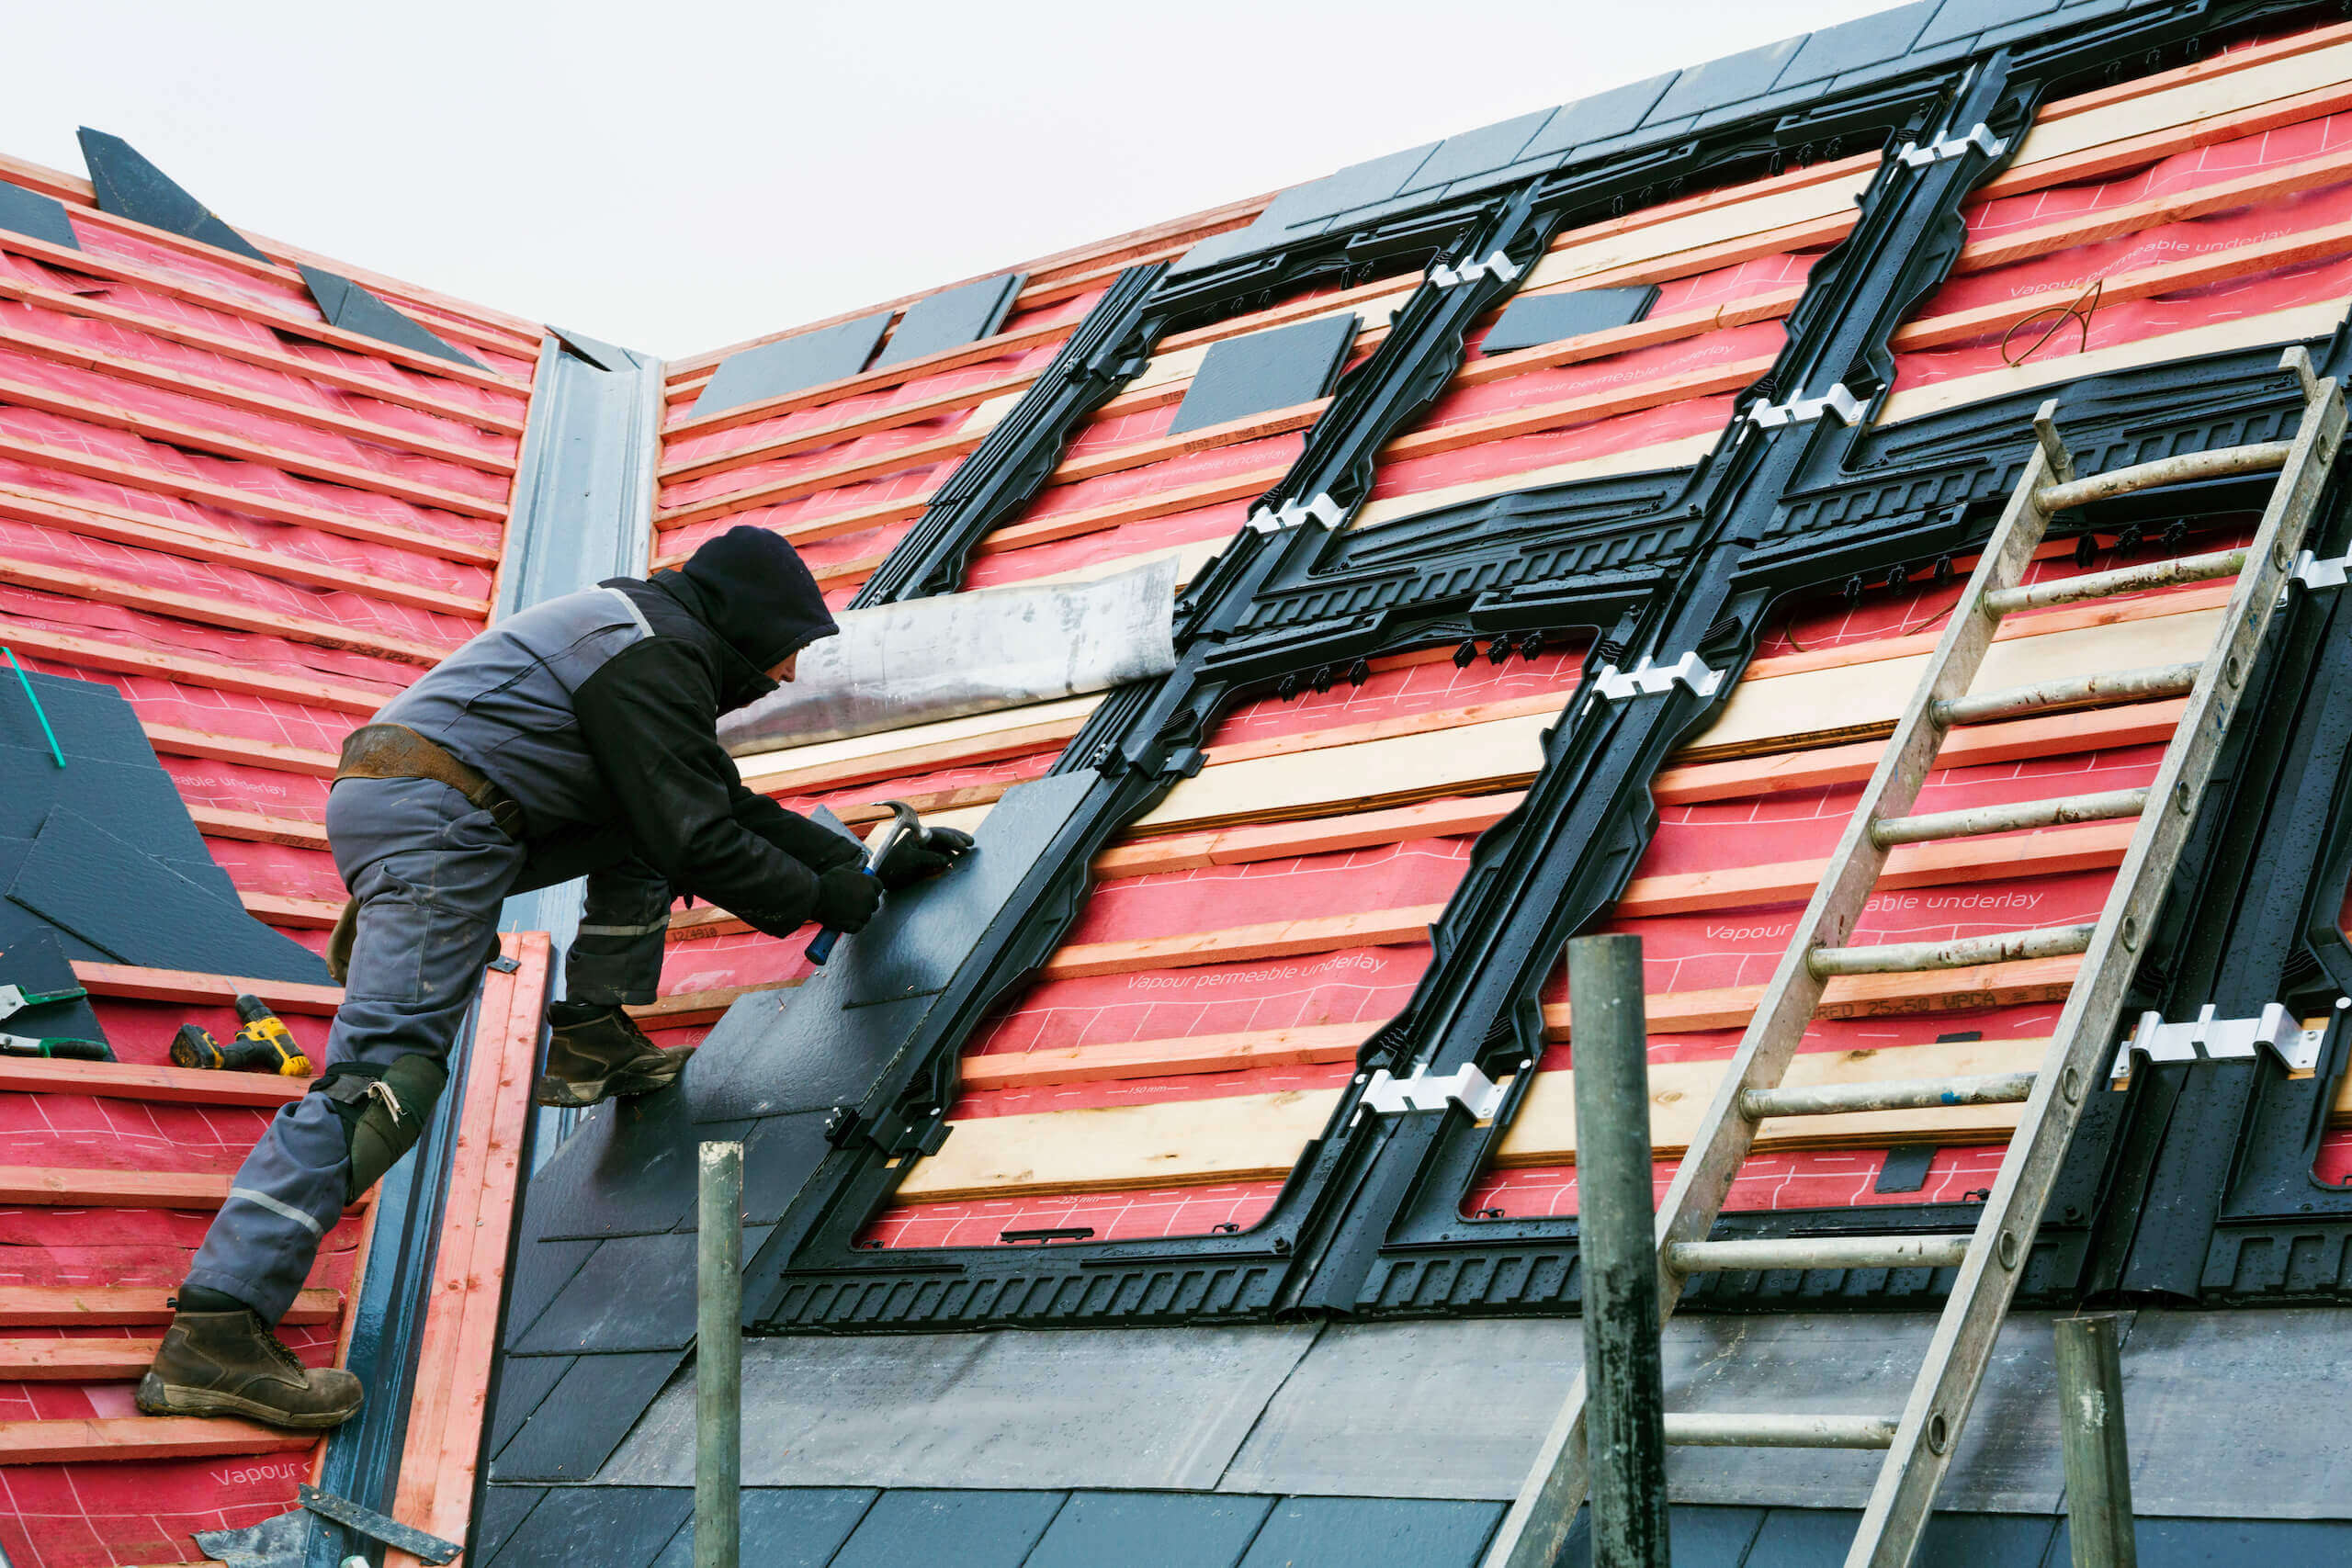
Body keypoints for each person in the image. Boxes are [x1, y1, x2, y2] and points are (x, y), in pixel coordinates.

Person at [136, 526, 968, 1429]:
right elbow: (699, 834)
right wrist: (831, 900)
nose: (786, 676)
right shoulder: (654, 658)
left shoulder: (642, 633)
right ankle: (218, 1329)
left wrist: (863, 862)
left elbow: (705, 799)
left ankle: (584, 1032)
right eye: (783, 653)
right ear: (744, 626)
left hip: (444, 804)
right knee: (386, 1081)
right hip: (442, 823)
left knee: (646, 815)